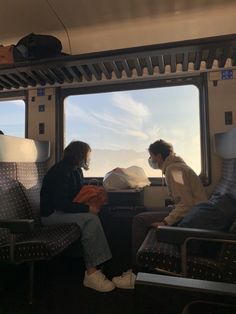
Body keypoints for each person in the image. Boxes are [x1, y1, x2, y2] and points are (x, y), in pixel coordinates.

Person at [112, 139, 207, 289]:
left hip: (191, 216)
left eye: (152, 156)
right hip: (190, 212)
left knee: (139, 220)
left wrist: (165, 222)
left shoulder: (174, 170)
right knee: (145, 211)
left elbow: (186, 204)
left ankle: (136, 273)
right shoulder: (176, 167)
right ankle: (141, 266)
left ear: (159, 156)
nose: (151, 160)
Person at [40, 141, 115, 292]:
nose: (89, 158)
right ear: (80, 155)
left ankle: (103, 264)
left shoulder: (76, 170)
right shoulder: (60, 172)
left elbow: (76, 194)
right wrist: (87, 208)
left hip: (63, 211)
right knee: (91, 219)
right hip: (52, 214)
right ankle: (91, 273)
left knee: (103, 212)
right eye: (88, 155)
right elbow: (59, 203)